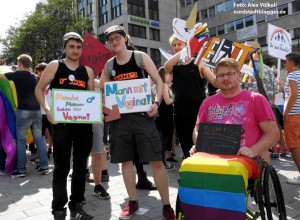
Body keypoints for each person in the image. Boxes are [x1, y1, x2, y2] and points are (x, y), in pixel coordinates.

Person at [99, 25, 175, 220]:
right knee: (126, 161)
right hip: (120, 120)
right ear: (108, 44)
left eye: (118, 37)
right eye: (111, 39)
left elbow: (158, 81)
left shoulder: (140, 57)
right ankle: (132, 202)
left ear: (126, 38)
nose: (115, 41)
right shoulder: (109, 65)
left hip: (143, 117)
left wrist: (156, 103)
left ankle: (167, 206)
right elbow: (103, 89)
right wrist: (103, 104)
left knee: (156, 161)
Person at [35, 32, 94, 220]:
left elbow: (91, 99)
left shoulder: (88, 71)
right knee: (61, 168)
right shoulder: (55, 66)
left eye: (78, 47)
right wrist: (47, 109)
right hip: (61, 125)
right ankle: (58, 208)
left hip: (84, 126)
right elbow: (39, 89)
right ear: (65, 48)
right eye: (71, 46)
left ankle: (76, 205)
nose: (75, 50)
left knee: (80, 168)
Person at [190, 58, 279, 162]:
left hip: (247, 162)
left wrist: (253, 150)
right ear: (216, 78)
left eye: (230, 74)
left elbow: (273, 133)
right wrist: (200, 145)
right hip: (213, 160)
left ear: (239, 75)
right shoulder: (207, 103)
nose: (225, 78)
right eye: (221, 75)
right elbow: (197, 130)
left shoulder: (256, 99)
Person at [164, 34, 217, 158]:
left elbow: (214, 81)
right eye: (174, 45)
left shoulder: (199, 63)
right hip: (180, 111)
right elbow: (166, 66)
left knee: (201, 145)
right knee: (185, 145)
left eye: (180, 44)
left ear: (187, 44)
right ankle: (189, 173)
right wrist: (184, 50)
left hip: (199, 110)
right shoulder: (174, 66)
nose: (177, 47)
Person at [0, 54, 49, 178]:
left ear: (20, 64)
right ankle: (44, 166)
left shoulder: (16, 75)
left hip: (24, 111)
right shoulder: (34, 76)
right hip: (37, 110)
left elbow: (1, 75)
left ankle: (21, 170)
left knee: (21, 141)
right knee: (39, 138)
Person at [283, 52, 300, 185]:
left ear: (291, 63)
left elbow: (293, 94)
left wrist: (286, 113)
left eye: (285, 62)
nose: (284, 64)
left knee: (294, 146)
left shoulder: (292, 75)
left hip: (294, 116)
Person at [155, 67, 176, 170]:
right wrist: (175, 97)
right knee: (163, 140)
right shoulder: (163, 85)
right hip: (164, 116)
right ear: (164, 75)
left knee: (163, 139)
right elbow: (167, 101)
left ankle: (162, 161)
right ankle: (162, 162)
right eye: (169, 75)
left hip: (163, 116)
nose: (171, 77)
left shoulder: (162, 85)